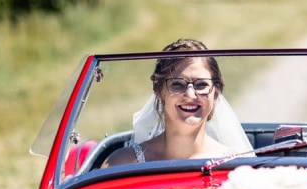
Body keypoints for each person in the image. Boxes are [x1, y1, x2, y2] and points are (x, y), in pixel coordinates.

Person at [104, 38, 251, 166]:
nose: (190, 94)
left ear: (216, 91)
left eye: (201, 85)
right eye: (177, 84)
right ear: (159, 90)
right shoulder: (122, 162)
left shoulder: (237, 165)